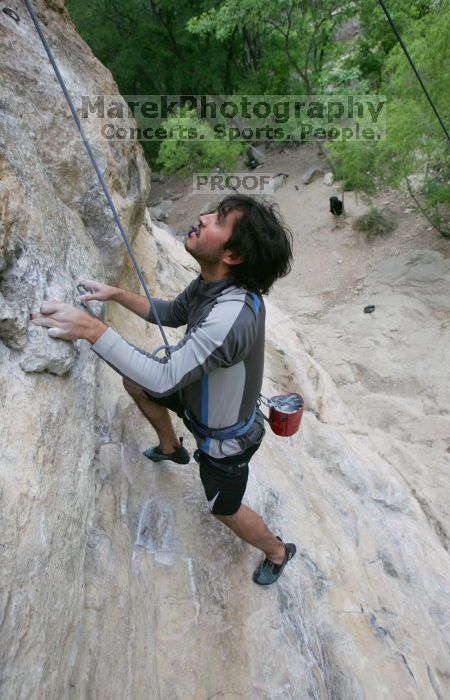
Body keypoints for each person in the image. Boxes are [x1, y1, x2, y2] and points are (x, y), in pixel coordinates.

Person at [31, 194, 296, 585]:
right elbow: (172, 314)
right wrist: (117, 293)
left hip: (225, 440)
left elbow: (164, 379)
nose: (203, 217)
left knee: (225, 508)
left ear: (234, 254)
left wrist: (91, 329)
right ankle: (172, 448)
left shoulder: (229, 317)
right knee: (134, 379)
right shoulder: (215, 285)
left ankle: (278, 550)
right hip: (194, 399)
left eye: (218, 220)